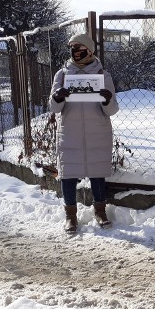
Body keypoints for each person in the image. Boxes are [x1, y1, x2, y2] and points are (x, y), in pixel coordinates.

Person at [49, 33, 119, 234]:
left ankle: (100, 211)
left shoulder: (103, 76)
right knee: (68, 175)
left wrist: (106, 100)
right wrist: (57, 96)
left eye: (79, 48)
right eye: (72, 48)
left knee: (97, 174)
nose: (75, 52)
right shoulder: (61, 75)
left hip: (98, 131)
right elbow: (53, 107)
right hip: (69, 133)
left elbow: (112, 110)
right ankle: (70, 216)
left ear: (90, 50)